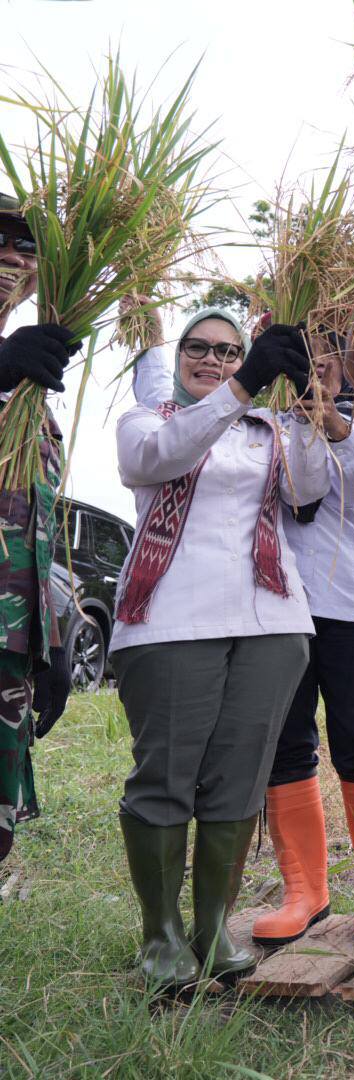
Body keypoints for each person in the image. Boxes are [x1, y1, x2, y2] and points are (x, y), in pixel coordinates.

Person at [112, 310, 324, 987]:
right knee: (167, 775)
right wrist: (244, 386)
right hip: (171, 619)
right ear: (177, 357)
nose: (215, 359)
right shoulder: (148, 421)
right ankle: (161, 938)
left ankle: (211, 931)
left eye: (231, 352)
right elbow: (162, 459)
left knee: (238, 779)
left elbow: (310, 489)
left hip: (270, 621)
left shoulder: (270, 430)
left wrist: (309, 401)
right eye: (200, 348)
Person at [0, 194, 74, 865]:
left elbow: (34, 524)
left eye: (26, 247)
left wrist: (47, 639)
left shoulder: (32, 397)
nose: (10, 256)